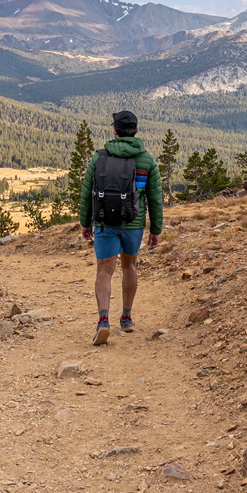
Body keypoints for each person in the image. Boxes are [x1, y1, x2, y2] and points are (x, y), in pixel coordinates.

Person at [79, 110, 163, 345]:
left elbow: (86, 194)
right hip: (134, 224)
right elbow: (155, 199)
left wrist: (85, 223)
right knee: (129, 265)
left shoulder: (99, 158)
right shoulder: (146, 160)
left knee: (104, 269)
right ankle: (126, 317)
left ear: (115, 130)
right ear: (136, 130)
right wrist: (156, 230)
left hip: (105, 222)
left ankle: (103, 320)